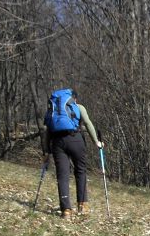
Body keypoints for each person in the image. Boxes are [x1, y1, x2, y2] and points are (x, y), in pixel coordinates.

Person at [41, 88, 103, 219]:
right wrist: (96, 142)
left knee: (62, 175)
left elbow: (46, 131)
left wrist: (46, 151)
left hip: (57, 142)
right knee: (80, 171)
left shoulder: (53, 110)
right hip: (75, 139)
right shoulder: (78, 107)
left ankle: (66, 210)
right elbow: (87, 123)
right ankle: (82, 205)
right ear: (74, 98)